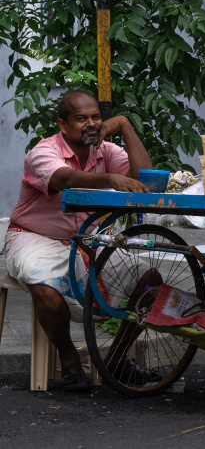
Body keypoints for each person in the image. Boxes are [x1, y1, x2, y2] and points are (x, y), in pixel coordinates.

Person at [4, 91, 154, 392]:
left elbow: (144, 181)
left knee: (151, 279)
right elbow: (63, 179)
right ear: (63, 124)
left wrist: (125, 125)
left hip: (87, 241)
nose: (91, 124)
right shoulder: (43, 151)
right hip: (36, 238)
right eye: (81, 118)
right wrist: (109, 179)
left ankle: (115, 359)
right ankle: (69, 359)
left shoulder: (106, 151)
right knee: (45, 287)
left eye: (96, 117)